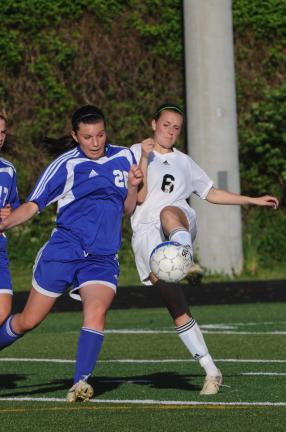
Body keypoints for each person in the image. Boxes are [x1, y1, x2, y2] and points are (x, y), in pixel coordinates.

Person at [130, 103, 279, 395]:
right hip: (146, 236)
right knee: (176, 307)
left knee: (169, 211)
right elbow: (139, 196)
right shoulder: (135, 152)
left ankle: (186, 255)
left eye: (176, 128)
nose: (171, 131)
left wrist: (250, 200)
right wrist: (145, 158)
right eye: (166, 125)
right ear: (153, 124)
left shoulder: (184, 161)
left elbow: (210, 192)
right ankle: (211, 369)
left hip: (179, 224)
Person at [0, 105, 143, 402]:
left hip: (102, 257)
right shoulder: (65, 165)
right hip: (64, 251)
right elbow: (32, 205)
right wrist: (7, 222)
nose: (95, 142)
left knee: (96, 312)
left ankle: (80, 383)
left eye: (100, 134)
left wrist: (133, 186)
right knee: (28, 320)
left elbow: (127, 208)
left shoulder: (124, 157)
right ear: (75, 135)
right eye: (88, 136)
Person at [0, 113, 20, 325]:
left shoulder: (8, 170)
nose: (0, 137)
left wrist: (10, 214)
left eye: (3, 132)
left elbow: (13, 208)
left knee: (3, 311)